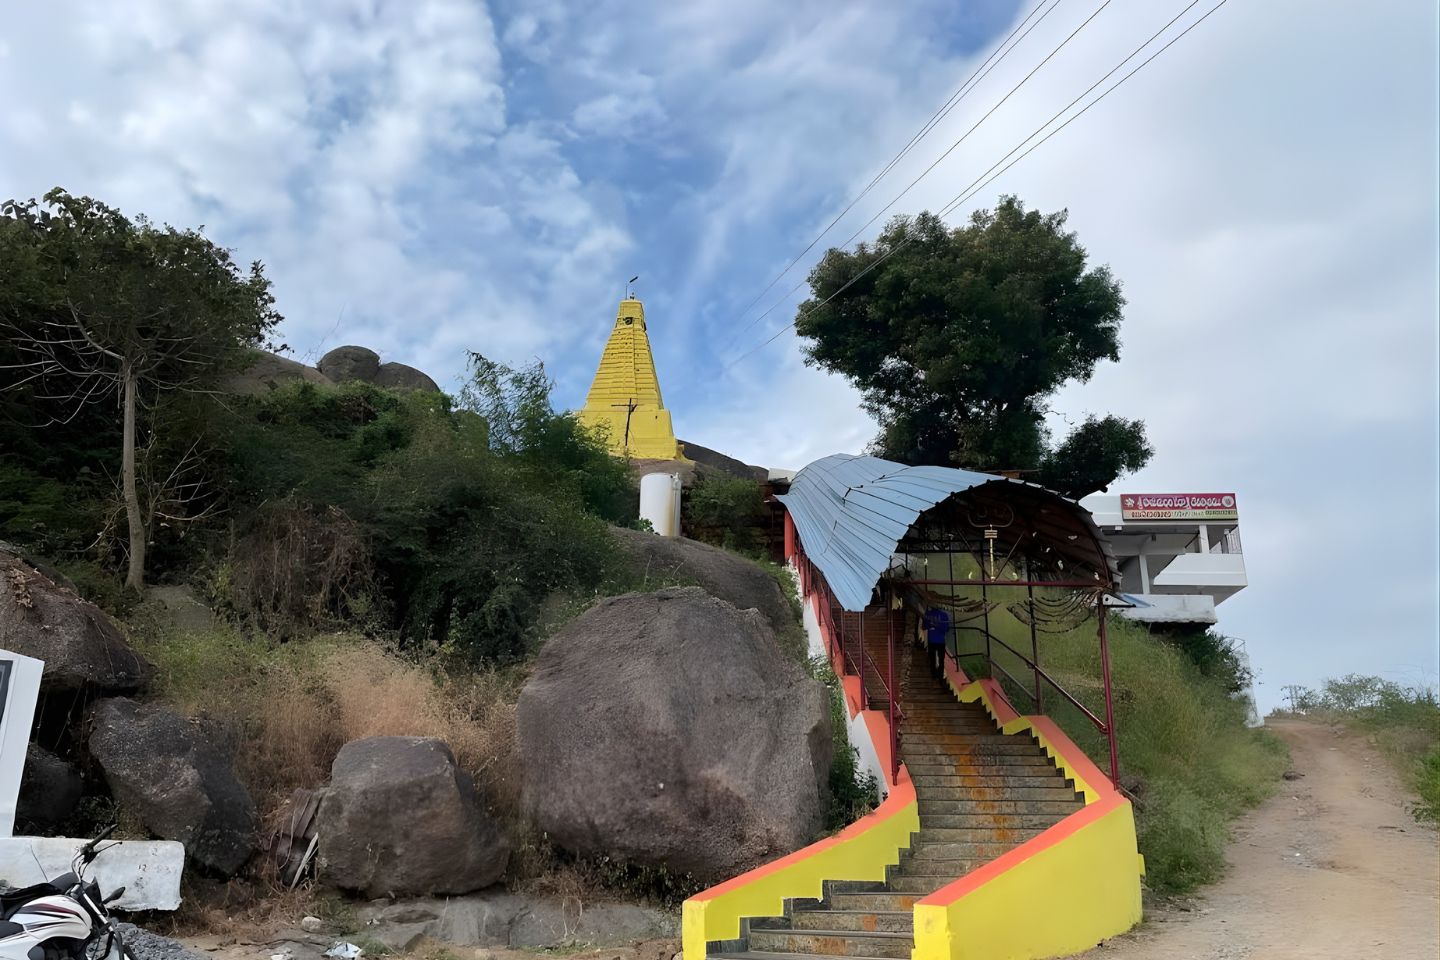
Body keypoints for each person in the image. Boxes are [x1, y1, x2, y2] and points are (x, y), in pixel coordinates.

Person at [922, 606, 950, 679]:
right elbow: (946, 629)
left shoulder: (928, 614)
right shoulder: (944, 615)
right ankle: (940, 676)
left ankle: (934, 675)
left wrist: (932, 625)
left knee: (932, 659)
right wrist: (938, 626)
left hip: (932, 640)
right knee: (941, 660)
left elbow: (924, 627)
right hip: (941, 641)